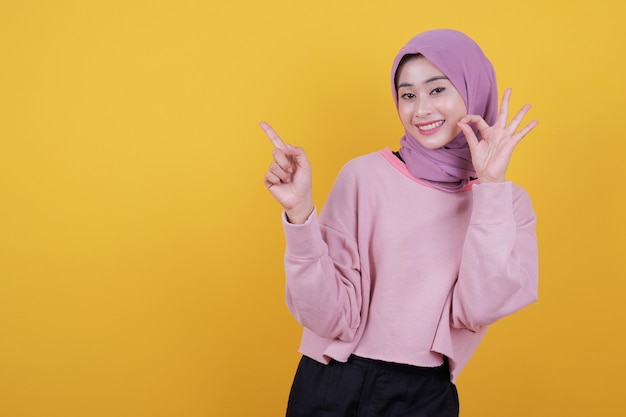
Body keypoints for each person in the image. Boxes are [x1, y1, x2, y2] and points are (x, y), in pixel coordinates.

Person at [260, 28, 539, 417]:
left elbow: (477, 308)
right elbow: (326, 317)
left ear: (473, 91)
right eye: (408, 95)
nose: (420, 109)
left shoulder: (507, 204)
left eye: (437, 89)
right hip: (331, 383)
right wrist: (300, 214)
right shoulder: (363, 177)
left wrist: (489, 188)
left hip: (424, 396)